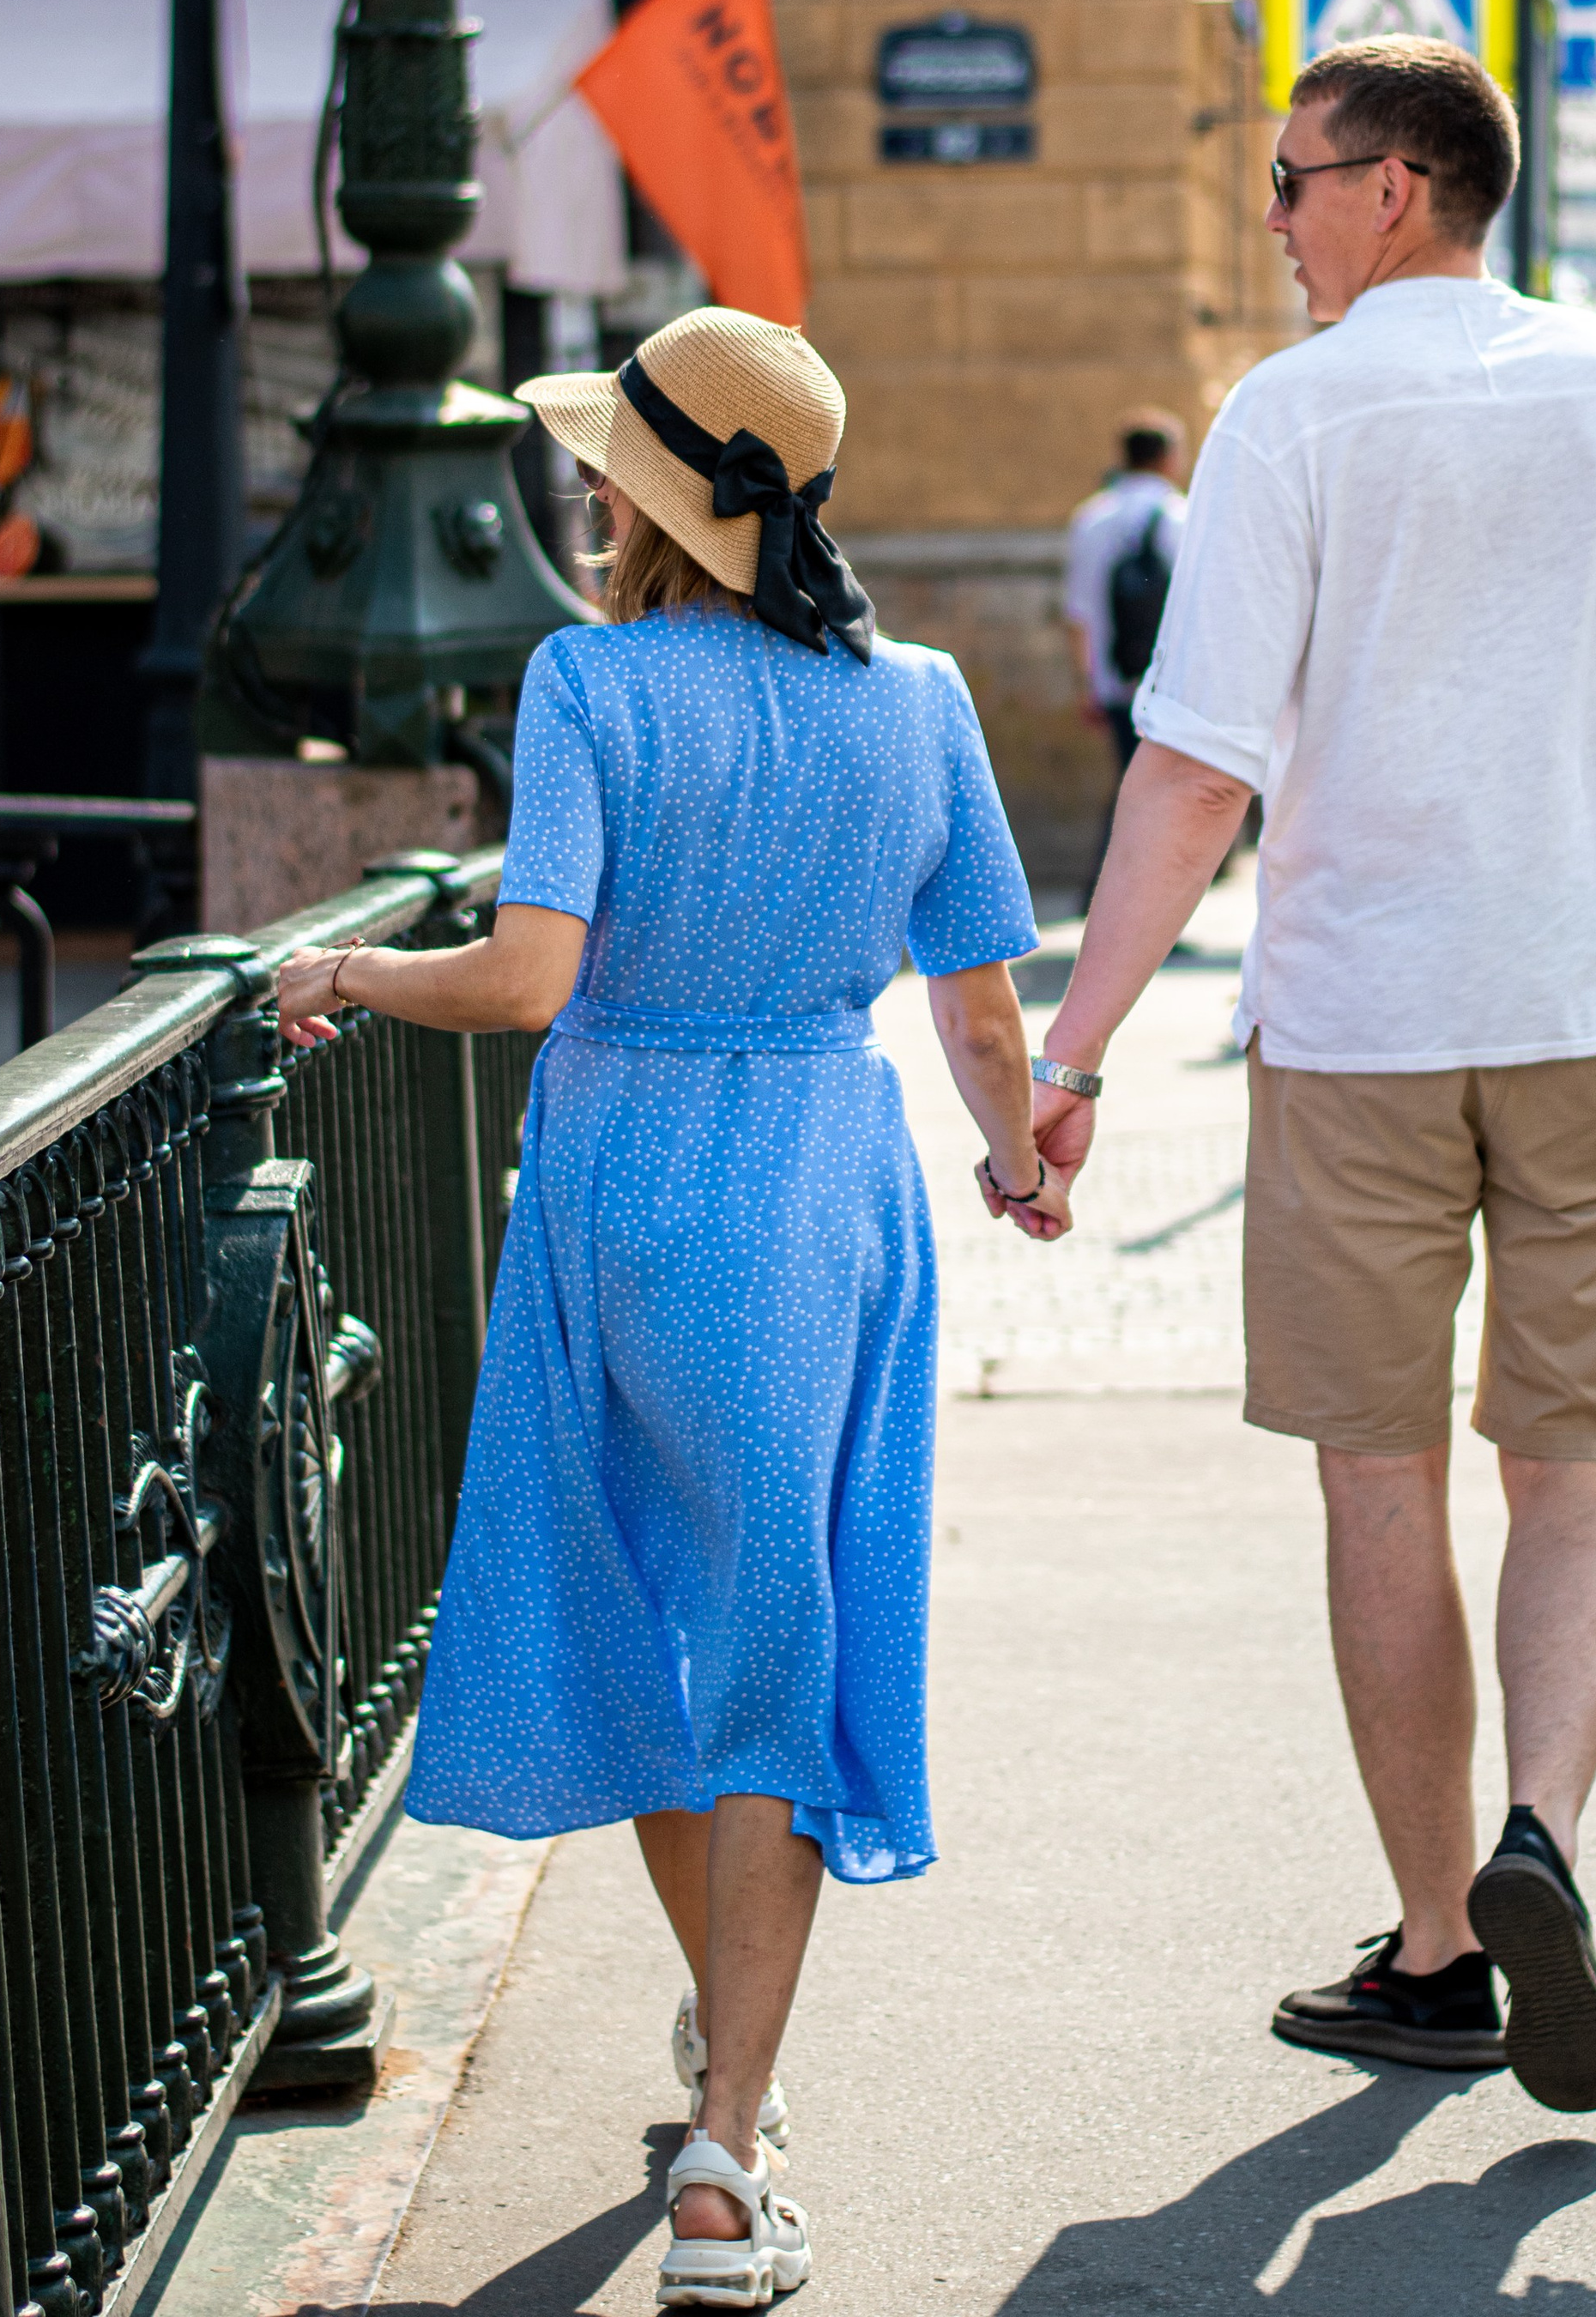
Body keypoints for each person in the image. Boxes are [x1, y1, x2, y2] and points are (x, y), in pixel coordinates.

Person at [1025, 37, 1596, 2116]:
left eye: (1289, 181)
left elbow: (1193, 769)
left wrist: (1076, 1039)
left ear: (1392, 187)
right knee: (1578, 1464)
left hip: (1366, 1022)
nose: (1269, 220)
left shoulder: (1287, 416)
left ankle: (1441, 1950)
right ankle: (1537, 1827)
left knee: (1376, 1475)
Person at [272, 307, 1065, 2309]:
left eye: (597, 466)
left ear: (640, 496)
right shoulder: (927, 700)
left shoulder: (589, 678)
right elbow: (980, 1002)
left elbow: (531, 974)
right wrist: (1020, 1157)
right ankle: (727, 2139)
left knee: (631, 1603)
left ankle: (729, 2076)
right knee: (781, 1631)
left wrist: (356, 976)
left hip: (621, 1186)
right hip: (815, 1185)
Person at [1061, 412, 1188, 894]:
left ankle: (1107, 890)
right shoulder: (1181, 516)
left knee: (1134, 787)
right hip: (1169, 684)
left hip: (1115, 681)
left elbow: (1080, 613)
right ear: (1168, 459)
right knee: (1160, 796)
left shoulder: (1092, 517)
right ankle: (1133, 899)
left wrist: (1089, 685)